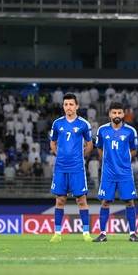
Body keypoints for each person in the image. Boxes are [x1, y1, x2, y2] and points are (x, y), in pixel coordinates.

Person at [93, 102, 138, 242]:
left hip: (125, 173)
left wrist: (123, 159)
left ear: (123, 114)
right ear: (109, 114)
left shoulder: (130, 131)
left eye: (119, 112)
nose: (117, 115)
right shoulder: (102, 130)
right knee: (105, 202)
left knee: (130, 202)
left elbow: (134, 150)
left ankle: (133, 233)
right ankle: (102, 234)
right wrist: (107, 160)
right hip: (108, 173)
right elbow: (99, 148)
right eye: (114, 113)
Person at [49, 93, 94, 243]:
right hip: (61, 168)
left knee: (81, 200)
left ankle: (86, 233)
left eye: (71, 104)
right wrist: (60, 155)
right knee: (60, 200)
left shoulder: (83, 124)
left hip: (77, 168)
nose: (68, 107)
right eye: (66, 104)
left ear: (77, 106)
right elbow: (52, 142)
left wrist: (80, 157)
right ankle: (57, 233)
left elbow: (89, 144)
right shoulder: (57, 123)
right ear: (63, 106)